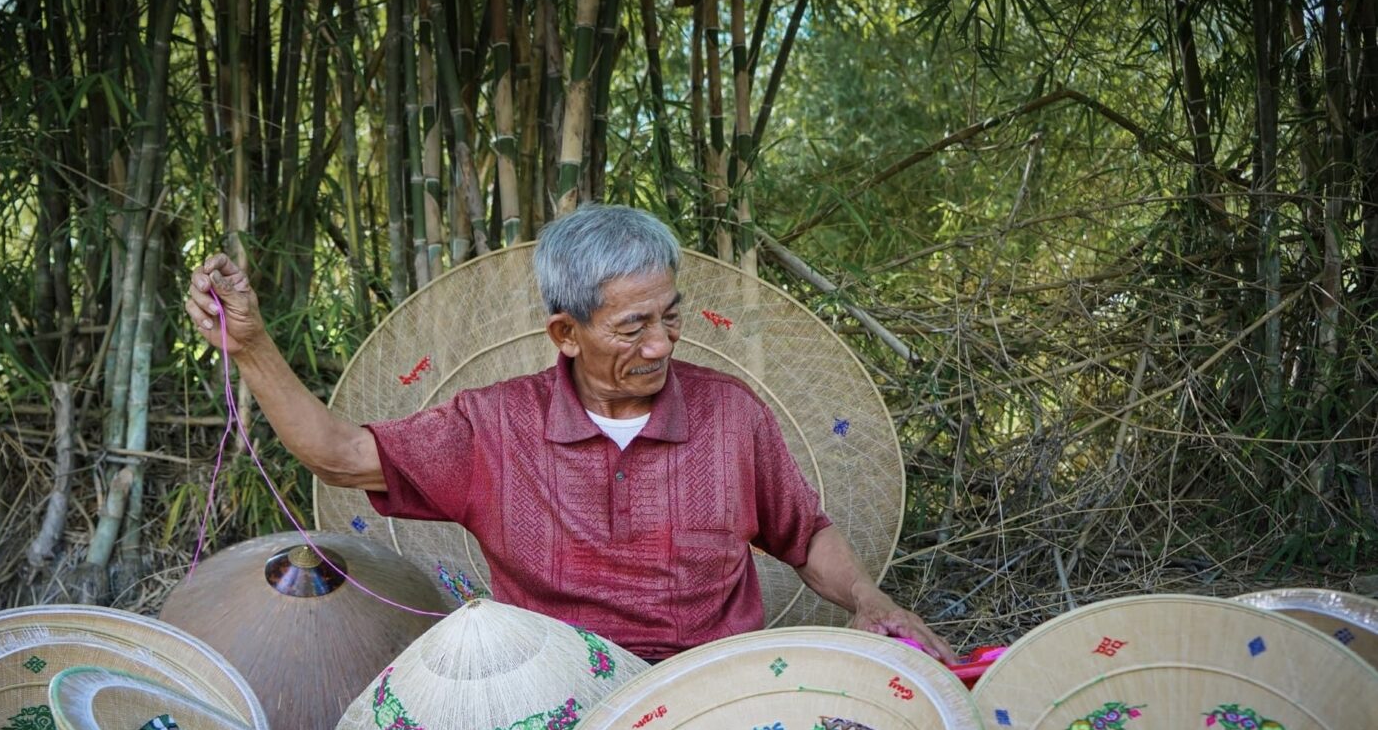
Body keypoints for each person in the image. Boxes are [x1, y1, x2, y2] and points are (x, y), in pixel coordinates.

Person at [185, 204, 955, 663]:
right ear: (565, 331)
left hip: (716, 690)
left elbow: (804, 532)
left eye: (670, 316)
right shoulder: (493, 428)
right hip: (559, 700)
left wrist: (868, 598)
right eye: (633, 326)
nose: (660, 344)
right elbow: (340, 454)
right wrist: (252, 348)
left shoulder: (731, 415)